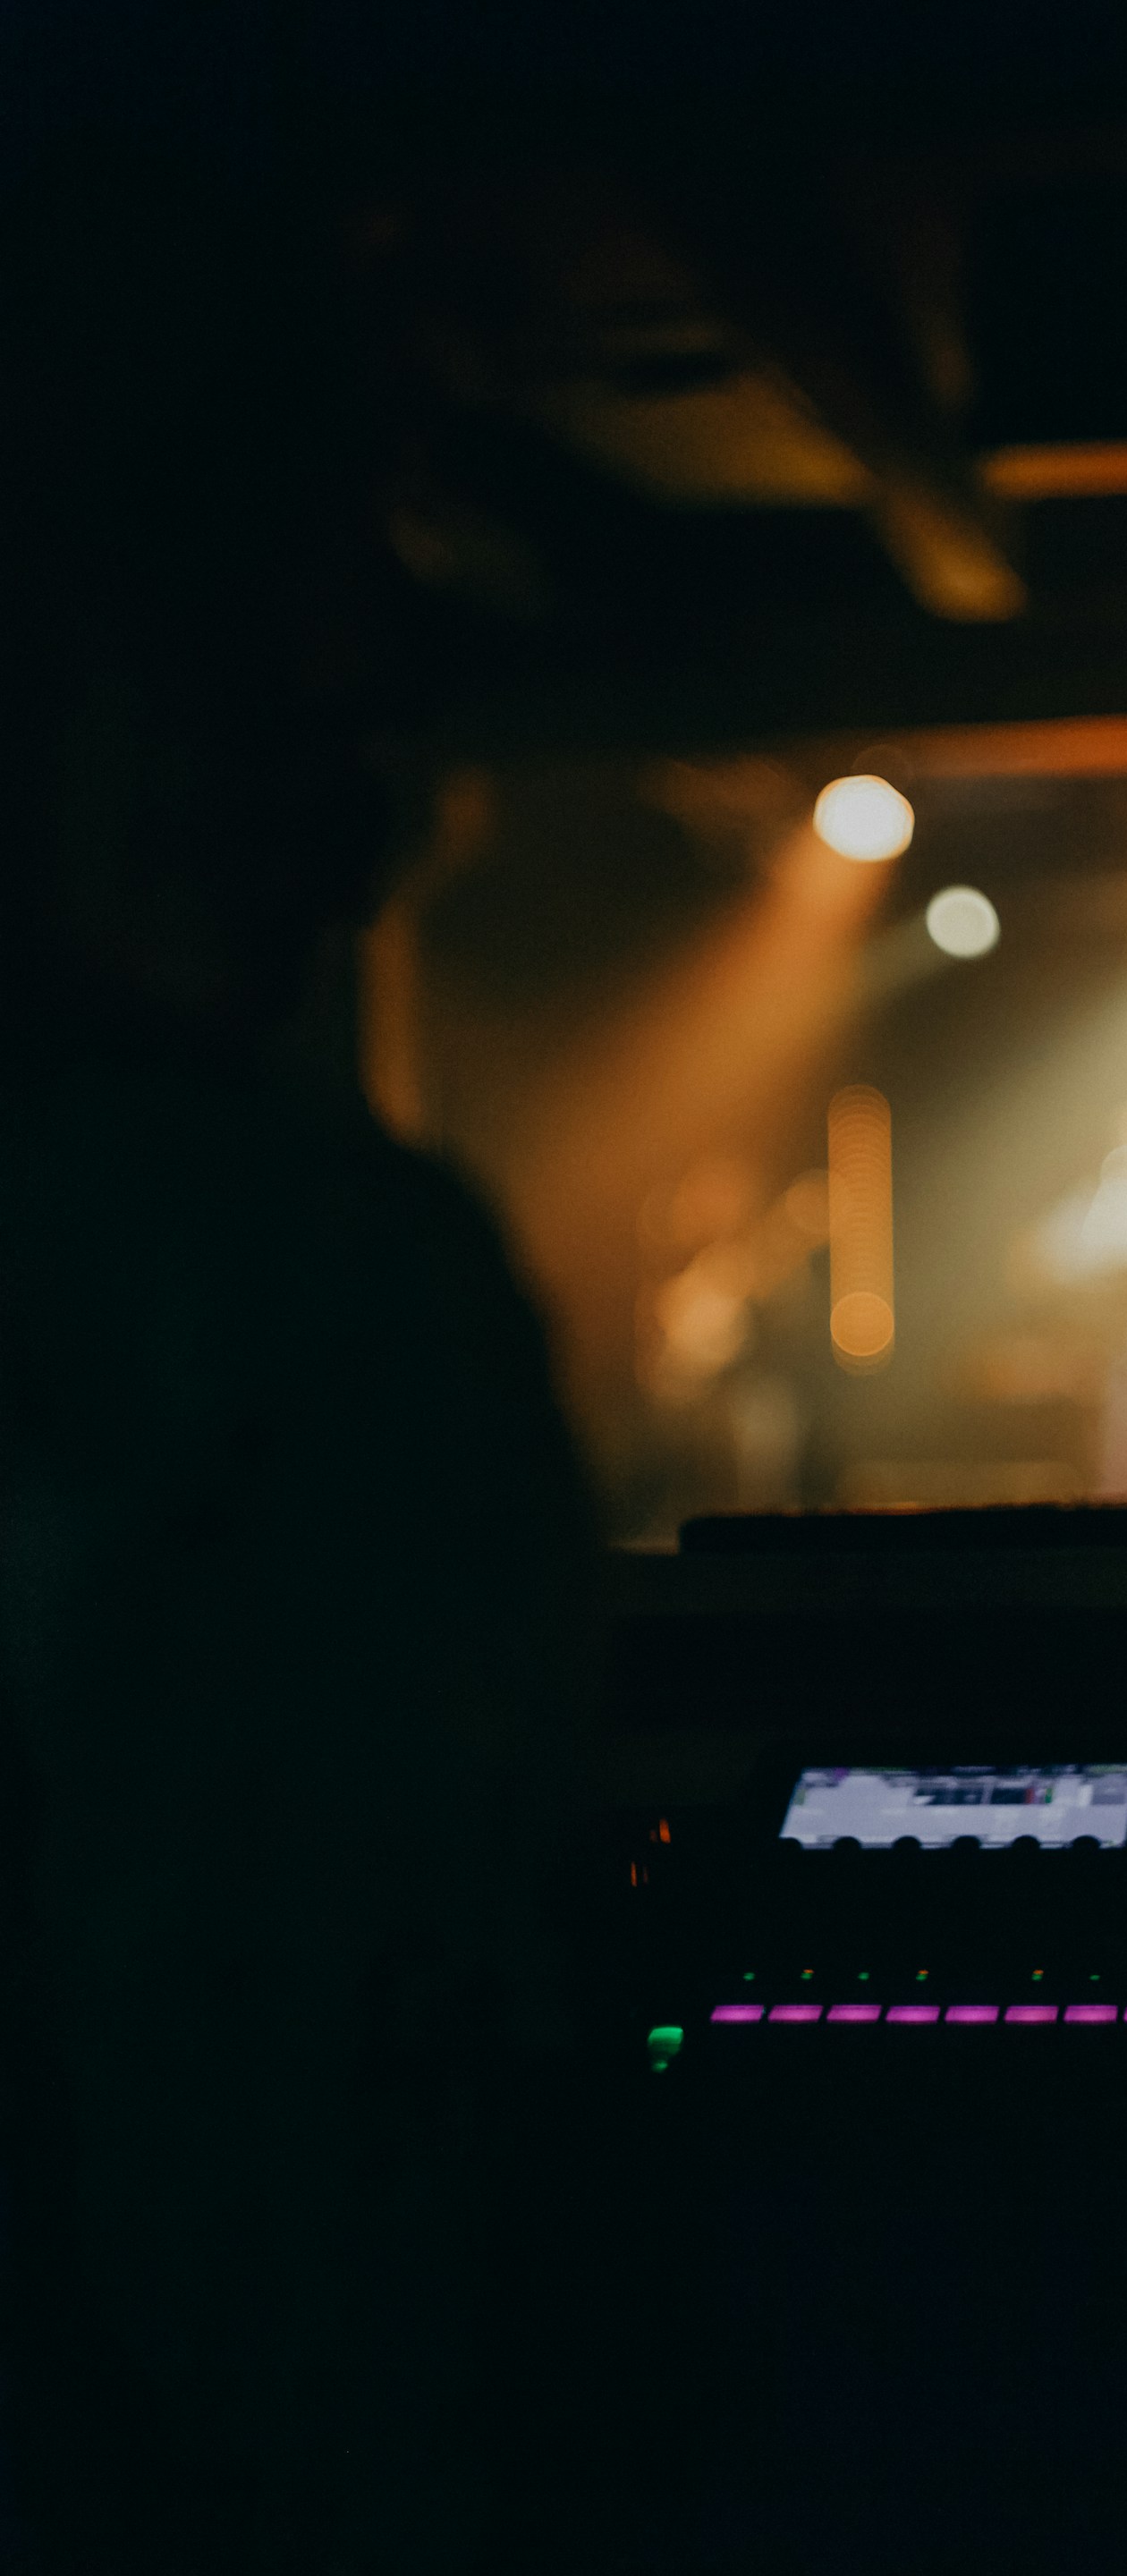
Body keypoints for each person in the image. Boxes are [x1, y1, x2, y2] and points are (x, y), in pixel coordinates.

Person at [0, 134, 606, 2574]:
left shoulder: (293, 1270)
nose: (344, 791)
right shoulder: (313, 1286)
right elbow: (348, 2168)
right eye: (288, 654)